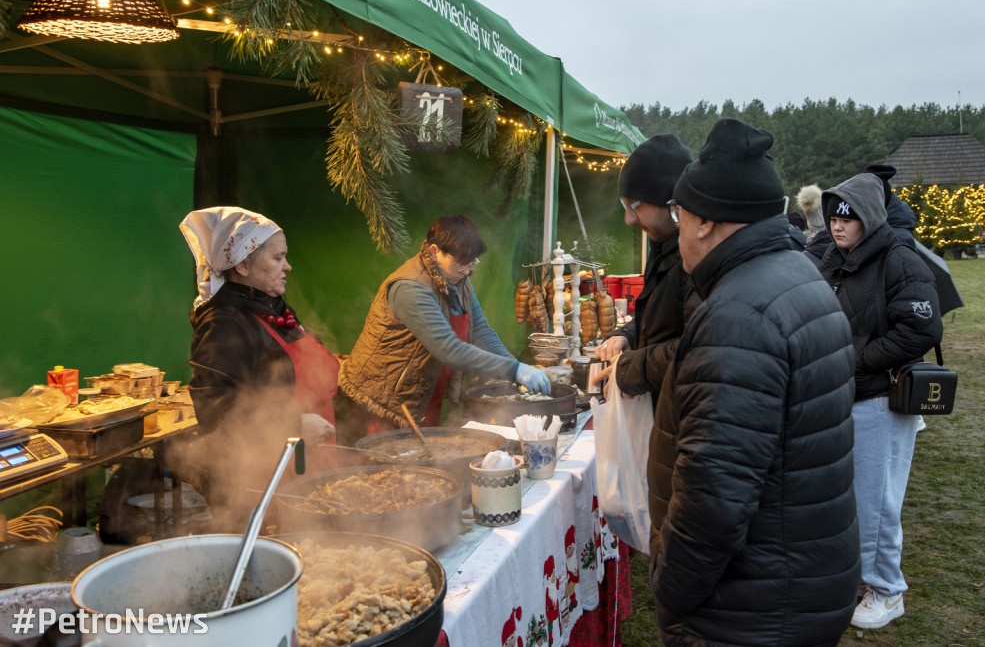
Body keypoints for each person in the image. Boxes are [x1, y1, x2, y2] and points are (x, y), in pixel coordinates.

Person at [651, 118, 861, 645]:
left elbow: (714, 499)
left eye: (679, 213)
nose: (675, 229)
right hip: (801, 578)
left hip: (753, 608)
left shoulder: (738, 314)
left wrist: (670, 590)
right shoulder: (798, 275)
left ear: (703, 222)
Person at [818, 173, 943, 629]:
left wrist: (859, 359)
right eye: (833, 217)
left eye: (847, 218)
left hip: (880, 400)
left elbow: (922, 329)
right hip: (842, 396)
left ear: (869, 218)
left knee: (877, 500)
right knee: (846, 497)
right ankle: (858, 578)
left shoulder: (899, 261)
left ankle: (888, 591)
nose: (838, 226)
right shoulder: (834, 260)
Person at [179, 206, 339, 530]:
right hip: (267, 486)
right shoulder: (224, 324)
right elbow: (214, 410)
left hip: (309, 470)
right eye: (278, 258)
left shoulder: (270, 307)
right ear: (242, 264)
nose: (288, 267)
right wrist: (292, 425)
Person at [339, 214, 549, 435]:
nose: (468, 270)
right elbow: (447, 349)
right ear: (434, 251)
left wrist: (514, 370)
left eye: (472, 262)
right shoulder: (409, 288)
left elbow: (481, 332)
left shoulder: (458, 279)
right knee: (393, 466)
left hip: (425, 392)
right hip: (388, 398)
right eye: (461, 262)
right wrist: (514, 369)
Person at [593, 134, 696, 397]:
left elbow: (697, 348)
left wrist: (630, 369)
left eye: (634, 206)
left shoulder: (696, 258)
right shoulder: (661, 243)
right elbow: (657, 319)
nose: (628, 219)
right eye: (624, 205)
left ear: (668, 202)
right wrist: (627, 333)